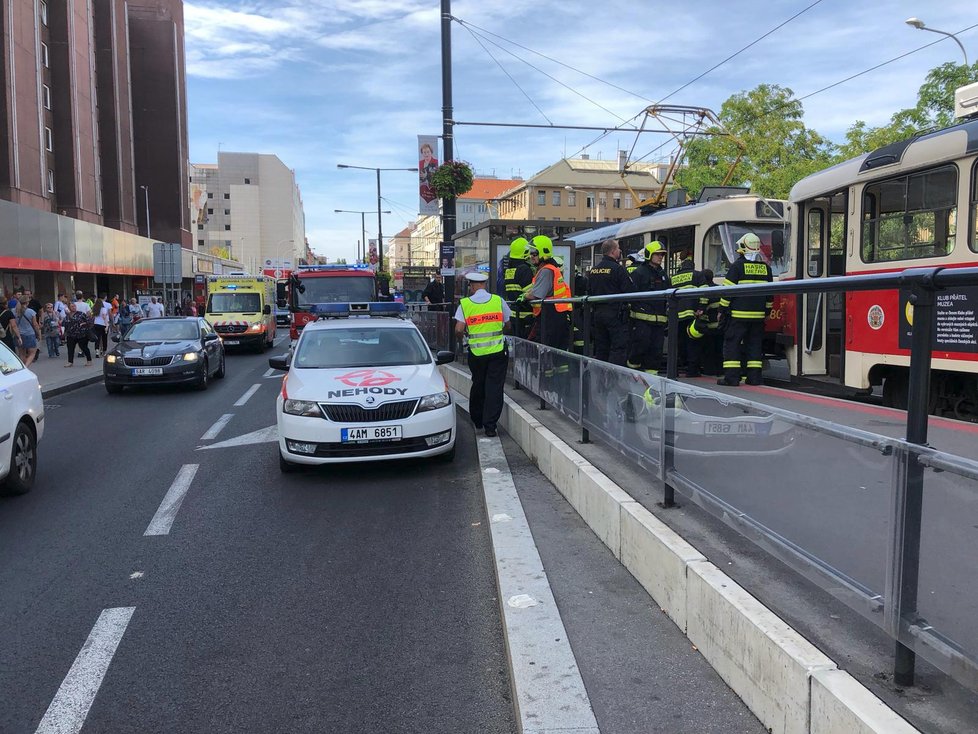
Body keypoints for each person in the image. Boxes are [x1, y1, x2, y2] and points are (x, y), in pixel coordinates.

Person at [454, 271, 510, 437]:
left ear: (471, 286)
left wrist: (464, 338)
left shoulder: (465, 304)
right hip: (498, 352)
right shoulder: (498, 301)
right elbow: (508, 325)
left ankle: (477, 420)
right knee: (494, 387)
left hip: (476, 353)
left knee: (478, 384)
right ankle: (490, 426)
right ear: (485, 285)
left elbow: (458, 329)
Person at [718, 233, 773, 386]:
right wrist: (767, 312)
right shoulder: (766, 269)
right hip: (758, 317)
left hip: (737, 316)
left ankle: (732, 378)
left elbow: (727, 291)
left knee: (732, 345)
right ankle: (754, 378)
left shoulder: (736, 267)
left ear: (742, 248)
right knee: (754, 346)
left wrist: (721, 310)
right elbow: (770, 295)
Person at [586, 238, 634, 366]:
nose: (620, 250)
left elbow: (589, 291)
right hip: (615, 315)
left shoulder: (593, 270)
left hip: (598, 315)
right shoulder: (618, 269)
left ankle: (602, 379)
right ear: (613, 251)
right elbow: (629, 291)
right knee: (618, 348)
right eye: (618, 248)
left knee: (602, 349)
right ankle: (614, 379)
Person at [627, 240, 669, 375]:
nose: (660, 257)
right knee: (640, 346)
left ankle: (652, 379)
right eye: (657, 254)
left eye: (662, 255)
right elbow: (631, 294)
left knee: (656, 350)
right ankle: (632, 372)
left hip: (659, 320)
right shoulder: (639, 273)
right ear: (649, 255)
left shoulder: (663, 275)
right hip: (641, 319)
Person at [671, 255, 710, 377]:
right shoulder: (697, 275)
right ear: (693, 267)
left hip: (676, 316)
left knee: (677, 343)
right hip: (692, 315)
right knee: (692, 343)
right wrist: (701, 308)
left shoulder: (673, 278)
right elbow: (705, 293)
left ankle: (674, 370)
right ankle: (692, 370)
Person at [502, 237, 535, 339]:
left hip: (514, 314)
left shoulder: (509, 270)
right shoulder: (525, 269)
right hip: (526, 316)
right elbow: (531, 293)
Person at [63, 301, 93, 367]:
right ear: (69, 308)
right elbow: (65, 324)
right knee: (70, 348)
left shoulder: (81, 314)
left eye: (74, 306)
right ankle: (70, 362)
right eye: (72, 306)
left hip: (81, 334)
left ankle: (89, 360)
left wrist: (83, 324)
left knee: (84, 347)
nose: (74, 307)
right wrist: (64, 334)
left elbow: (89, 321)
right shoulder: (67, 316)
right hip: (70, 335)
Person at [15, 298, 40, 366]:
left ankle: (23, 367)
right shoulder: (31, 311)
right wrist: (38, 334)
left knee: (21, 354)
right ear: (27, 303)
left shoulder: (14, 311)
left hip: (19, 334)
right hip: (29, 334)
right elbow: (35, 324)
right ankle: (26, 367)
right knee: (32, 353)